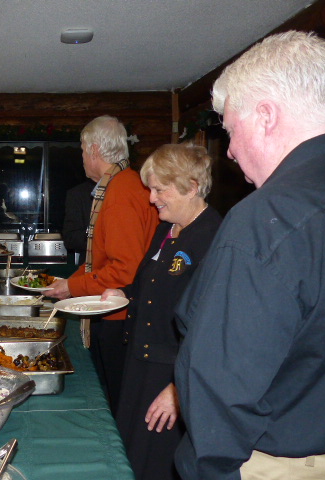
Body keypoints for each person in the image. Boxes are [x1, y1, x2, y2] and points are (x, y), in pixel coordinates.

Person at [173, 31, 325, 480]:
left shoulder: (265, 219)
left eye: (231, 130)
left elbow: (218, 385)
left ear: (266, 116)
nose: (229, 151)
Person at [101, 143, 222, 480]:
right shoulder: (166, 228)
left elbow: (212, 328)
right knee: (130, 456)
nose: (152, 198)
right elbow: (149, 287)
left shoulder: (213, 237)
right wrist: (124, 294)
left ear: (191, 187)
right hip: (141, 363)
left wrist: (178, 389)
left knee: (154, 464)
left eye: (159, 189)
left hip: (171, 374)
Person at [46, 115, 159, 410]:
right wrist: (69, 282)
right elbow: (100, 259)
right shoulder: (123, 183)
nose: (82, 157)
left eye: (83, 150)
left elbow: (125, 270)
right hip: (117, 311)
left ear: (94, 150)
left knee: (116, 399)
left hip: (119, 317)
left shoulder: (121, 192)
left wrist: (71, 288)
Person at [62, 179, 96, 265]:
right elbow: (70, 238)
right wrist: (97, 235)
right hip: (92, 264)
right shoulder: (79, 193)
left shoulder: (123, 190)